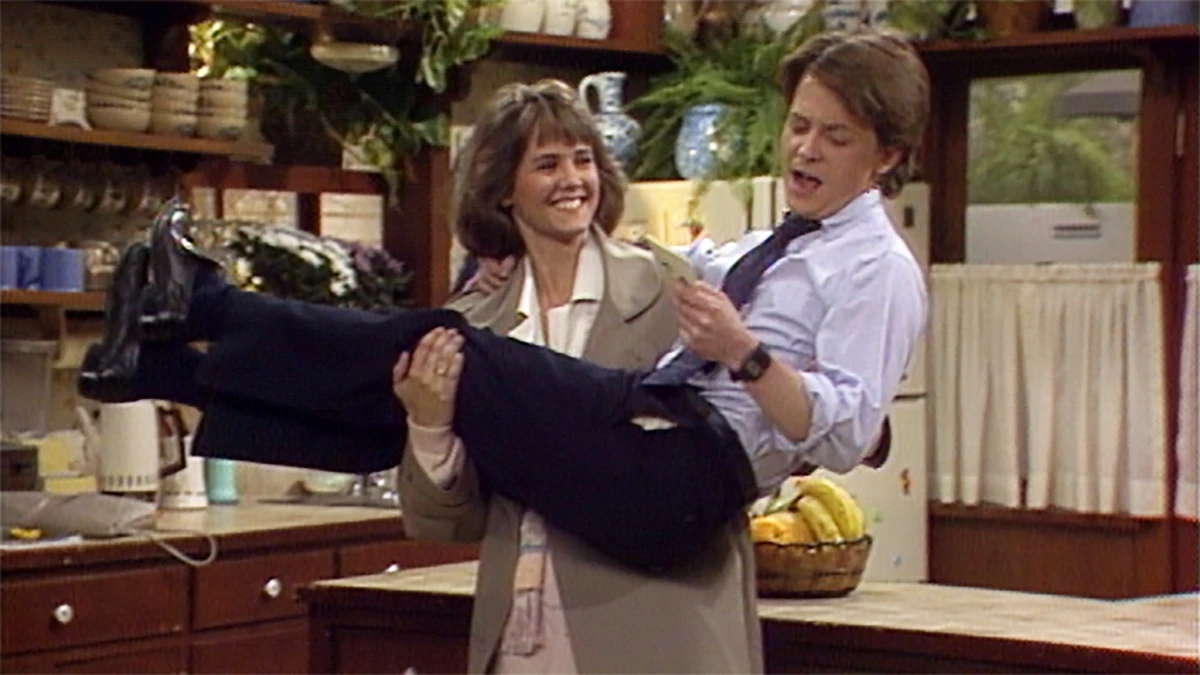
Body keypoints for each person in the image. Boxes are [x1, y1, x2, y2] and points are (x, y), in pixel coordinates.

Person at [76, 28, 929, 574]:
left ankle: (204, 307)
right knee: (408, 392)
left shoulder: (877, 267)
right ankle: (157, 368)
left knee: (451, 345)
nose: (805, 149)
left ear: (887, 155)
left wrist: (747, 354)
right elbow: (682, 272)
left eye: (835, 136)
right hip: (643, 427)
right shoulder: (769, 247)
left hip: (683, 477)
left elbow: (847, 431)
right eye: (800, 125)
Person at [393, 79, 760, 674]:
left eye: (582, 160)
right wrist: (429, 427)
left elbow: (726, 458)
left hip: (655, 632)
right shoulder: (474, 323)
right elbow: (446, 521)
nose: (572, 179)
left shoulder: (669, 292)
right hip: (523, 638)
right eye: (547, 164)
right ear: (503, 189)